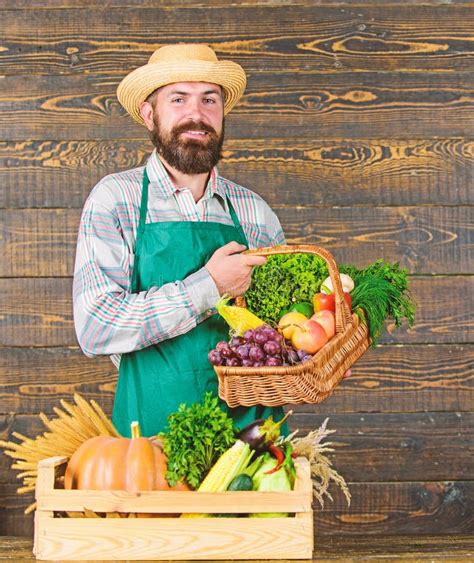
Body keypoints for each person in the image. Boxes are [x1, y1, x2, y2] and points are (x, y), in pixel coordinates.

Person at [73, 43, 349, 438]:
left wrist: (324, 352)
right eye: (178, 99)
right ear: (150, 114)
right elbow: (96, 327)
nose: (196, 114)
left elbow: (289, 325)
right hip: (152, 437)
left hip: (253, 440)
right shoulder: (116, 200)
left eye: (209, 100)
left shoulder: (254, 212)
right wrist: (210, 287)